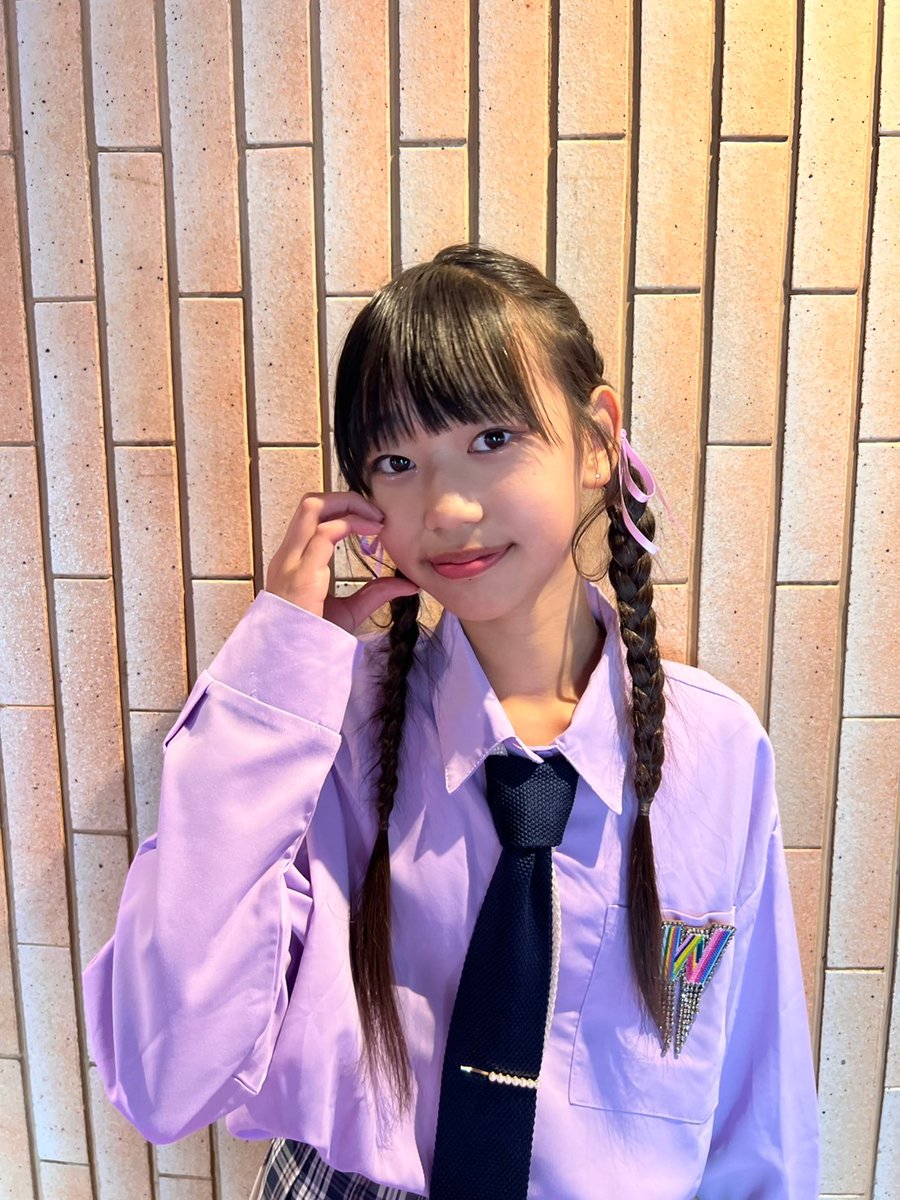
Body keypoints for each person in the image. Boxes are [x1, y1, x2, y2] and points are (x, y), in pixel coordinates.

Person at [81, 243, 820, 1198]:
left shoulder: (715, 751)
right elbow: (166, 1076)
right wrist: (273, 679)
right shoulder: (323, 728)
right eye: (397, 461)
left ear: (598, 440)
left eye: (492, 438)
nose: (447, 506)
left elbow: (759, 1107)